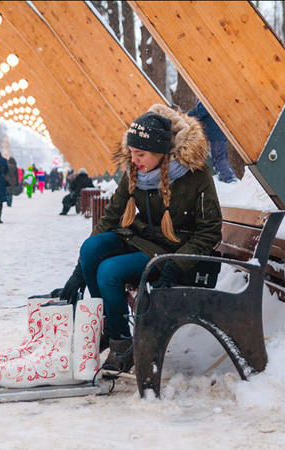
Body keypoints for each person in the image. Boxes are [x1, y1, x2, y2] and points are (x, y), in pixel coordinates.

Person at [53, 104, 222, 372]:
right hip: (144, 239)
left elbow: (210, 231)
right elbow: (111, 217)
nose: (134, 160)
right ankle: (109, 324)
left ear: (160, 152)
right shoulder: (135, 172)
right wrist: (78, 274)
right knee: (92, 248)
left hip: (175, 251)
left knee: (110, 272)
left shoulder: (195, 174)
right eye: (131, 153)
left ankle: (123, 345)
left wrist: (175, 265)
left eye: (140, 154)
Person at [188, 100, 237, 183]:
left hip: (216, 134)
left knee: (219, 158)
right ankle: (227, 176)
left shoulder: (206, 100)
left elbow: (200, 113)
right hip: (218, 133)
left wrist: (187, 115)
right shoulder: (209, 100)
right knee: (221, 158)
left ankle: (229, 178)